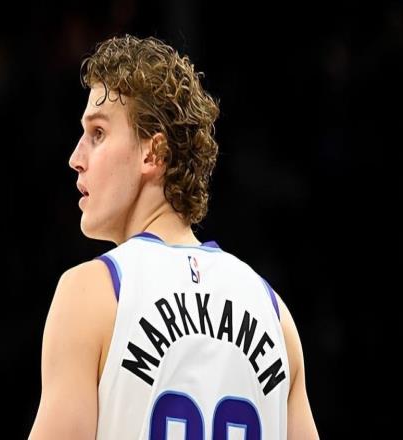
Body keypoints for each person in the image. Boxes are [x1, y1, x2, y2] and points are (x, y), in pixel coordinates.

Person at [28, 34, 318, 439]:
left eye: (98, 133)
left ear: (153, 152)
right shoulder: (276, 315)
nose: (76, 158)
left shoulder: (92, 294)